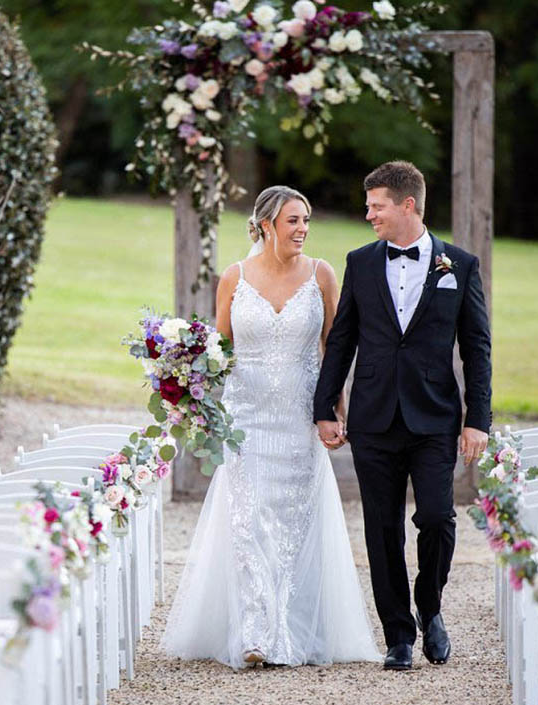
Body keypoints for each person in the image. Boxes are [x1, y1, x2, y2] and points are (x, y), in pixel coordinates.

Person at [161, 185, 382, 669]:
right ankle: (256, 634)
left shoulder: (322, 275)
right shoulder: (234, 278)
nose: (302, 229)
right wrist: (182, 381)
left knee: (294, 525)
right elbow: (219, 349)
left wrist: (335, 411)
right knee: (249, 521)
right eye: (293, 221)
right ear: (266, 225)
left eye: (306, 220)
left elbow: (333, 349)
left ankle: (291, 625)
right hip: (248, 419)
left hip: (299, 419)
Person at [313, 161, 492, 671]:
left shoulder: (459, 265)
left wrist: (477, 418)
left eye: (377, 206)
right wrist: (325, 407)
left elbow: (477, 348)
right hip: (373, 417)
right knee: (381, 528)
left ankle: (430, 607)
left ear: (408, 205)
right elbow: (342, 337)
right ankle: (398, 635)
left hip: (435, 418)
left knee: (437, 517)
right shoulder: (361, 262)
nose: (368, 214)